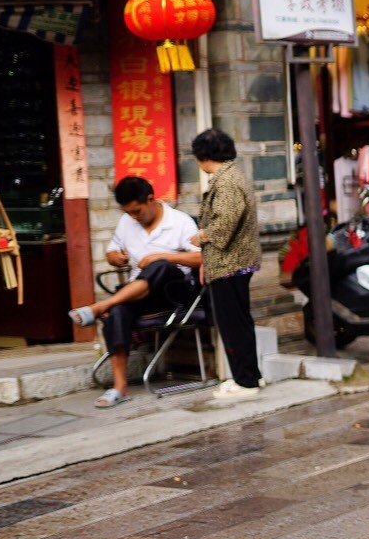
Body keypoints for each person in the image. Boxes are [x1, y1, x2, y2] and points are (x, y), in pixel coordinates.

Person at [67, 177, 202, 408]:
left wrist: (163, 255)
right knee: (118, 312)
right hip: (138, 294)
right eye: (128, 212)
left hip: (173, 293)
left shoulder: (180, 222)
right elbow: (111, 251)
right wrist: (116, 258)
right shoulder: (126, 222)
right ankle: (120, 387)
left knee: (158, 266)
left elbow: (200, 257)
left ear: (150, 199)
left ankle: (100, 306)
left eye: (137, 211)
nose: (133, 217)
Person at [191, 128, 263, 399]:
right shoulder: (231, 176)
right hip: (231, 262)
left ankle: (245, 382)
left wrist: (202, 236)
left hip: (230, 263)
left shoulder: (226, 181)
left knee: (233, 324)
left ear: (203, 155)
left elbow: (225, 221)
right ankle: (250, 376)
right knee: (239, 321)